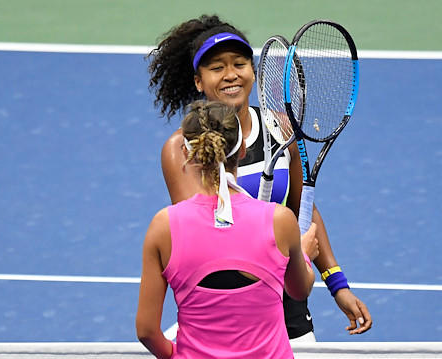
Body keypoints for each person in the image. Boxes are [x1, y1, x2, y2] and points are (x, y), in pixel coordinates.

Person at [147, 14, 372, 341]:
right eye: (217, 67)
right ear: (198, 81)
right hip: (220, 312)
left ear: (253, 71)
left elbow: (302, 208)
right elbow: (206, 240)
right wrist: (292, 256)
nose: (231, 75)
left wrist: (337, 283)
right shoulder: (181, 149)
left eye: (239, 63)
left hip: (286, 311)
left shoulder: (281, 128)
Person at [135, 100, 317, 358]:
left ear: (188, 154)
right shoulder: (281, 221)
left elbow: (146, 331)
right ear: (242, 148)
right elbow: (299, 290)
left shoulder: (163, 227)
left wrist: (179, 355)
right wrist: (305, 254)